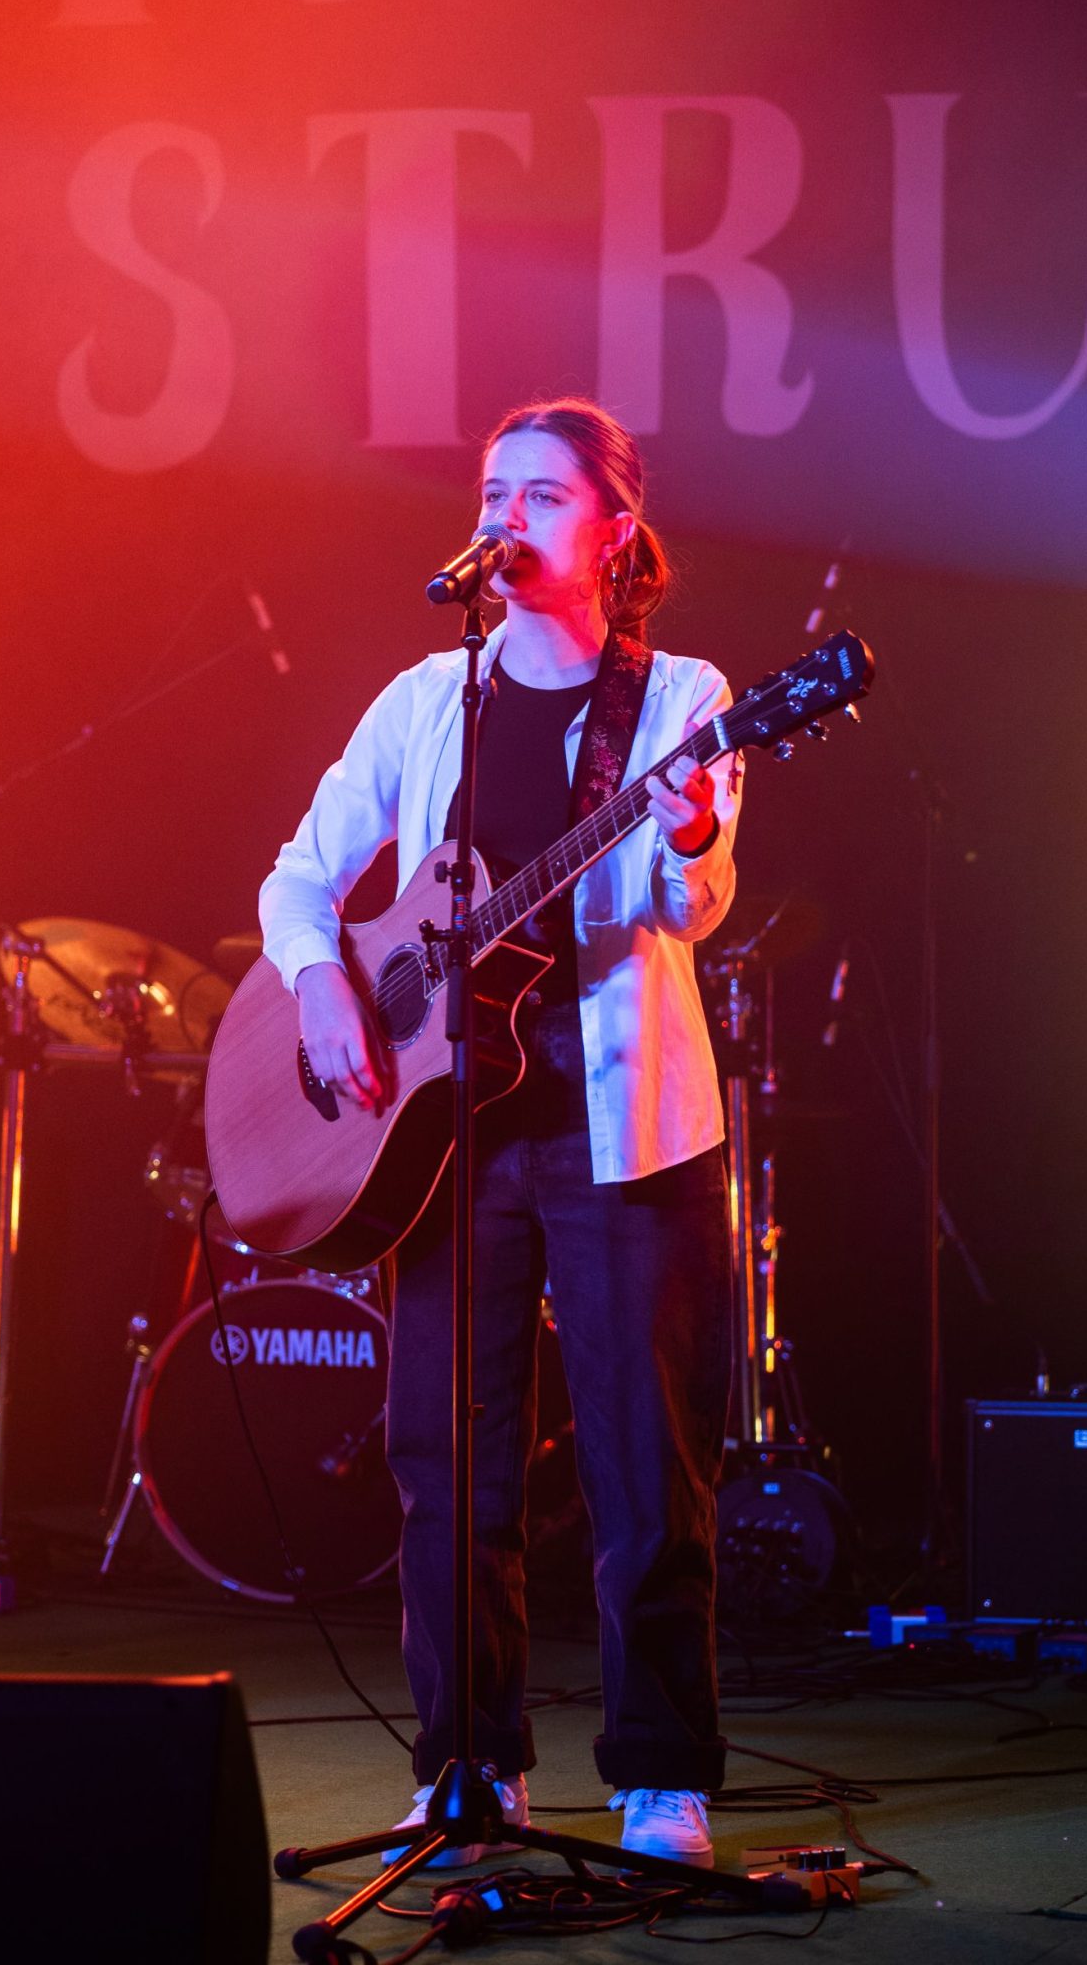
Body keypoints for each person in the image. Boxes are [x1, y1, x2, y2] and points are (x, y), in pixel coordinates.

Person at [258, 397, 742, 1869]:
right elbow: (299, 875)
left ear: (613, 530)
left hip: (619, 1125)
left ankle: (660, 1777)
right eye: (491, 492)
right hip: (446, 1137)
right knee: (445, 1464)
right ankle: (469, 1763)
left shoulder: (682, 697)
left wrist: (689, 831)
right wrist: (324, 988)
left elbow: (689, 908)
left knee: (644, 1466)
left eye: (540, 495)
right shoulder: (429, 698)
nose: (506, 518)